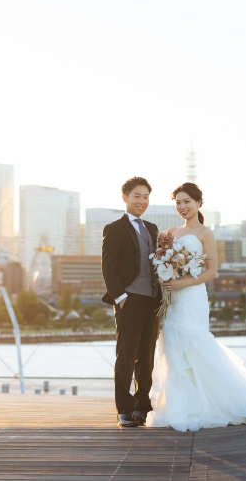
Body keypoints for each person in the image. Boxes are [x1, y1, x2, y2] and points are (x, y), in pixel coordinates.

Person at [147, 182, 246, 432]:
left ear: (199, 202)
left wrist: (184, 281)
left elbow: (211, 270)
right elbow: (164, 262)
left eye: (187, 201)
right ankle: (182, 405)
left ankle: (220, 404)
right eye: (178, 202)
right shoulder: (171, 232)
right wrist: (166, 273)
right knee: (172, 344)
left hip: (191, 296)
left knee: (194, 342)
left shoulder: (205, 234)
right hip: (172, 298)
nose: (182, 206)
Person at [101, 176, 162, 428]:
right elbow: (108, 267)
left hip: (152, 301)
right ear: (125, 198)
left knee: (146, 357)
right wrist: (121, 297)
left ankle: (141, 407)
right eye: (137, 196)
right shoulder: (114, 228)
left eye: (146, 196)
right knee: (125, 356)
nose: (142, 201)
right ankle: (124, 410)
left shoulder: (153, 228)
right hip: (129, 299)